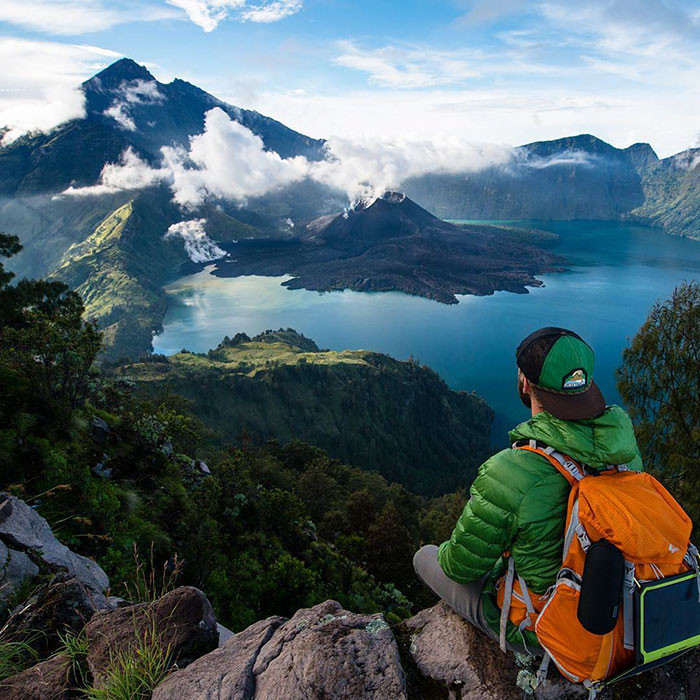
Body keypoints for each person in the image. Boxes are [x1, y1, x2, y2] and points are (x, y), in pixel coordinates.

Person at [413, 327, 642, 655]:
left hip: (550, 631)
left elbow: (459, 566)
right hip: (625, 620)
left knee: (425, 557)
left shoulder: (510, 470)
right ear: (586, 384)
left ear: (524, 382)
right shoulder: (624, 449)